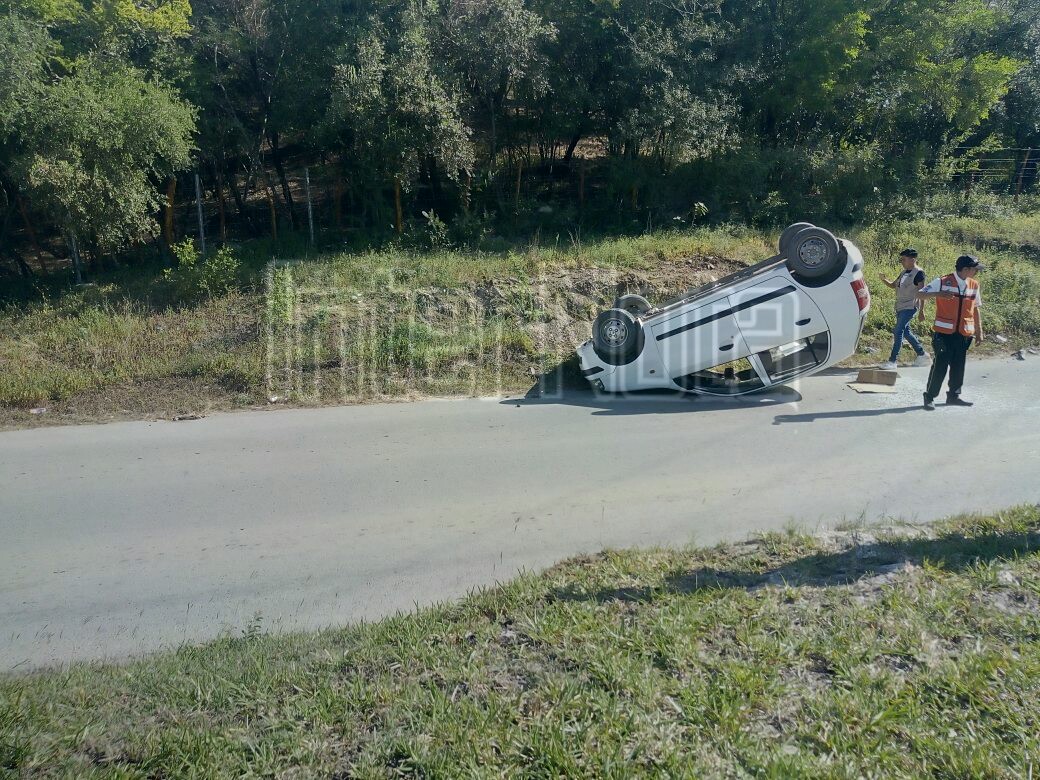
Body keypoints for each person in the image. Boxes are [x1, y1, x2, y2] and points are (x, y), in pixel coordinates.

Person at [916, 255, 985, 411]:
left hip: (963, 334)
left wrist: (979, 331)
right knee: (940, 366)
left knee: (958, 366)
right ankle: (930, 397)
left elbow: (975, 308)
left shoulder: (974, 285)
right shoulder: (942, 281)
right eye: (975, 269)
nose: (977, 272)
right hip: (944, 333)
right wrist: (937, 294)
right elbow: (919, 294)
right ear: (966, 269)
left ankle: (953, 396)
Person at [878, 248, 929, 369]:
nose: (902, 261)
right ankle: (922, 354)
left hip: (910, 306)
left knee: (898, 330)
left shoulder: (919, 273)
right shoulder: (903, 272)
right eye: (901, 259)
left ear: (912, 260)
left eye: (904, 259)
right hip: (900, 306)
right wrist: (884, 279)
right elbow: (893, 285)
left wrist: (922, 311)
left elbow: (923, 293)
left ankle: (893, 361)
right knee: (906, 332)